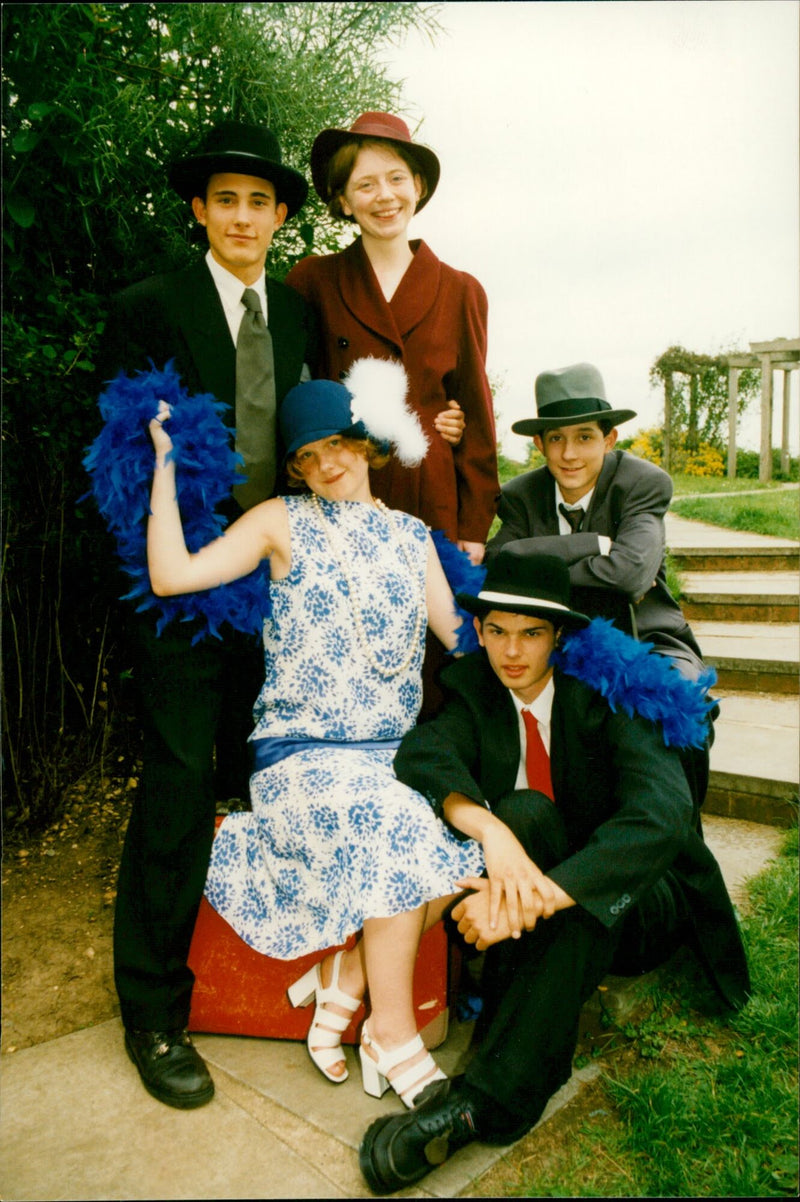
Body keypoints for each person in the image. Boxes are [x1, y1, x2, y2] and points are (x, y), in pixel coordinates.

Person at [145, 360, 489, 1109]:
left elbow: (466, 644)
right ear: (295, 469)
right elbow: (172, 576)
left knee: (475, 846)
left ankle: (344, 980)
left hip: (392, 760)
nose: (325, 465)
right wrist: (164, 470)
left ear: (364, 444)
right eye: (306, 456)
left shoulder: (410, 537)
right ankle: (389, 1032)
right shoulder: (279, 521)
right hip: (302, 759)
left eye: (337, 445)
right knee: (400, 827)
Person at [358, 545, 750, 1193]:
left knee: (578, 897)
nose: (513, 652)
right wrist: (490, 830)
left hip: (644, 896)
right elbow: (425, 755)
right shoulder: (475, 689)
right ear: (480, 632)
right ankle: (515, 1053)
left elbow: (661, 818)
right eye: (499, 632)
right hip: (547, 874)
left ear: (559, 636)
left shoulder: (612, 694)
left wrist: (541, 896)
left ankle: (484, 1102)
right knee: (521, 813)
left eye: (532, 634)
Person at [97, 120, 317, 1109]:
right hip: (182, 586)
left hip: (275, 582)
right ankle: (151, 1008)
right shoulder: (148, 307)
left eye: (258, 201)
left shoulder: (302, 318)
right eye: (224, 198)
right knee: (182, 777)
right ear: (200, 209)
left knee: (257, 771)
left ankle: (262, 978)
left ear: (279, 217)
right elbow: (118, 462)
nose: (241, 216)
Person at [485, 361, 714, 806]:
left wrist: (540, 568)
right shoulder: (520, 495)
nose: (570, 454)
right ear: (539, 444)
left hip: (645, 636)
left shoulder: (641, 483)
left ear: (609, 439)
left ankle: (682, 844)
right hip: (549, 641)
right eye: (556, 439)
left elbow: (630, 577)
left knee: (677, 701)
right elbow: (500, 565)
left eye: (585, 437)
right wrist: (593, 543)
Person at [285, 111, 499, 563]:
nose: (385, 196)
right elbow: (295, 397)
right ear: (342, 200)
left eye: (396, 178)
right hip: (340, 494)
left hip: (431, 497)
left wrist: (475, 527)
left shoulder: (461, 290)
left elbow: (477, 419)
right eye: (365, 185)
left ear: (417, 187)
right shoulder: (313, 280)